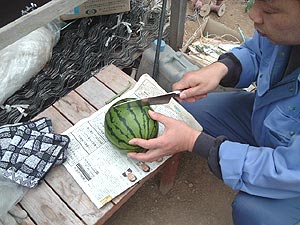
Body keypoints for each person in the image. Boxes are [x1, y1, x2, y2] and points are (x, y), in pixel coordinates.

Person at [127, 0, 300, 224]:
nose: (253, 14)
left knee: (255, 213)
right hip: (273, 119)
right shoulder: (284, 31)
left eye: (268, 10)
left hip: (292, 170)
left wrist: (196, 143)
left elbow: (288, 169)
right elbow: (258, 53)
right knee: (187, 111)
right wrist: (221, 69)